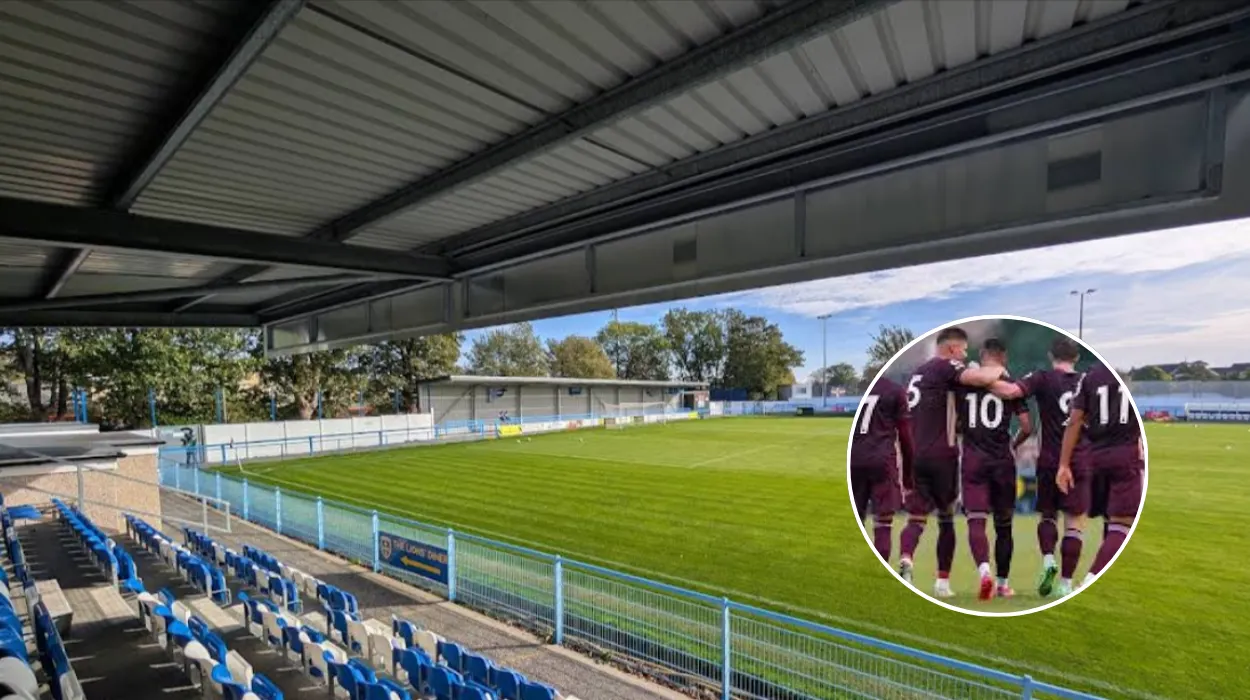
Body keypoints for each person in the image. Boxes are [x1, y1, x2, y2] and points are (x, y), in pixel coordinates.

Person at [898, 326, 1020, 598]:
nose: (965, 357)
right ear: (952, 349)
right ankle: (942, 583)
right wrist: (999, 369)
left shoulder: (917, 374)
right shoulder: (947, 367)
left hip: (914, 455)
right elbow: (980, 378)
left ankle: (906, 557)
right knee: (946, 520)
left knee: (915, 519)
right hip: (944, 454)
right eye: (963, 351)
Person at [1010, 337, 1088, 597]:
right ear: (1076, 358)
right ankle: (1066, 584)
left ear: (1050, 355)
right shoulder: (1087, 382)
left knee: (1047, 516)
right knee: (1074, 523)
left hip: (1049, 460)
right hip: (1078, 461)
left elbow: (1014, 392)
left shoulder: (1042, 378)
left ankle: (1048, 561)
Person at [957, 339, 1032, 600]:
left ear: (982, 355)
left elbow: (956, 421)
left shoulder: (964, 383)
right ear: (1004, 356)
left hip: (973, 459)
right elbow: (1026, 426)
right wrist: (1013, 444)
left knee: (975, 520)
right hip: (1002, 460)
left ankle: (984, 573)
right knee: (1004, 526)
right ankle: (1002, 584)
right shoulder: (1012, 386)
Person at [1057, 365, 1144, 590]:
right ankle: (1091, 579)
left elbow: (1074, 420)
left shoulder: (1090, 377)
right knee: (1122, 522)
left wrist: (1064, 463)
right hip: (1126, 455)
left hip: (1096, 457)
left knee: (1099, 516)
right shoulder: (1126, 378)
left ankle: (1071, 580)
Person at [850, 376, 914, 562]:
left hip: (853, 458)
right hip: (882, 460)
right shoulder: (895, 390)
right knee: (883, 522)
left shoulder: (863, 389)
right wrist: (908, 477)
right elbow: (906, 438)